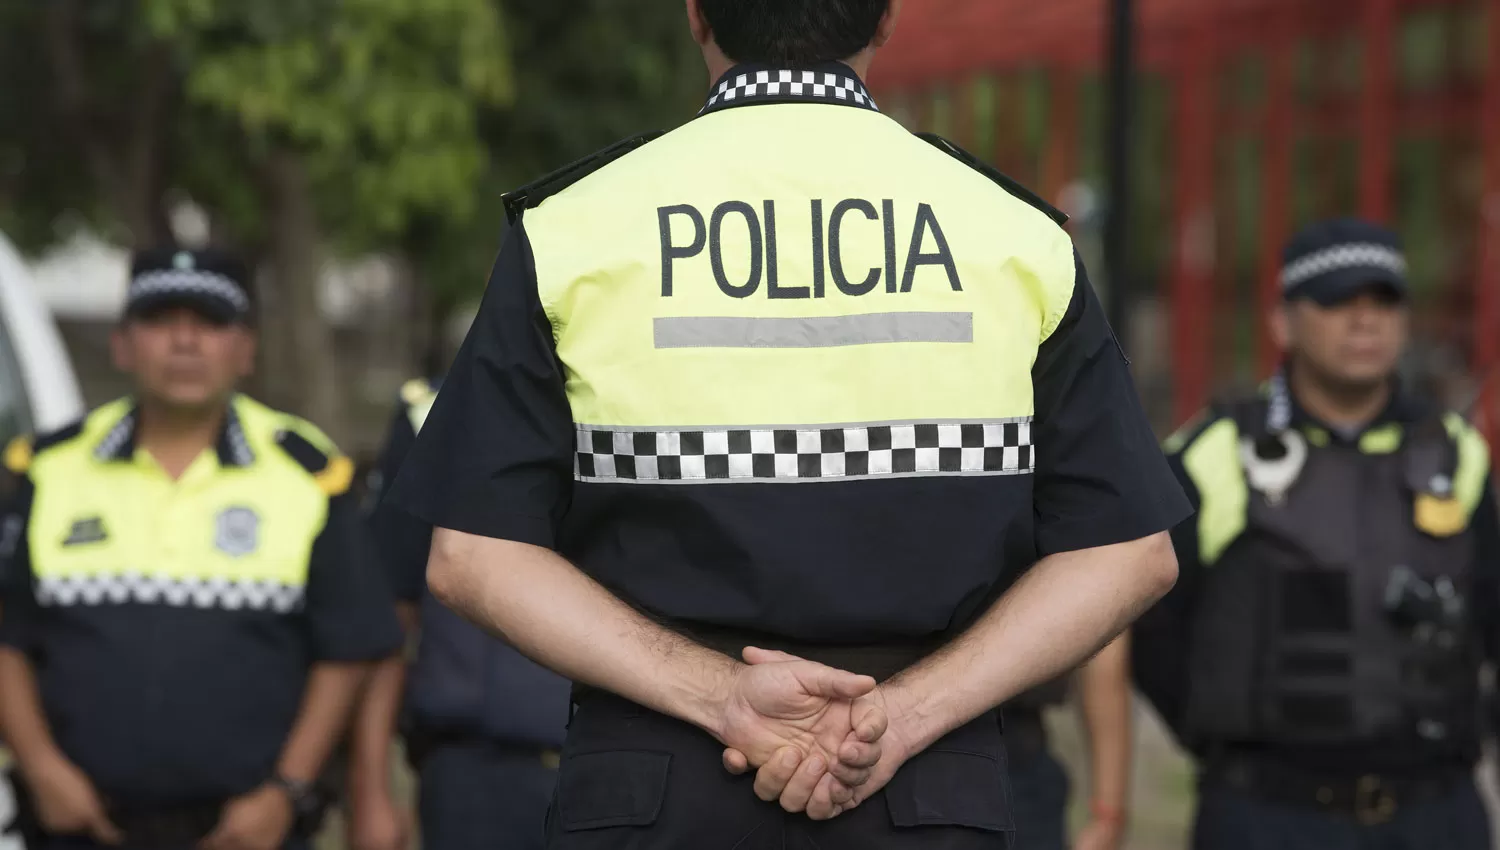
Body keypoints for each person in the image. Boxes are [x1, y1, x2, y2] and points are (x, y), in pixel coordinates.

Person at [384, 1, 1188, 846]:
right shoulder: (1016, 236)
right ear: (886, 18)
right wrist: (906, 716)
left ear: (697, 14)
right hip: (927, 786)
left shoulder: (573, 229)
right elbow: (1130, 552)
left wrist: (721, 695)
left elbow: (471, 555)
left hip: (651, 786)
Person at [0, 248, 403, 850]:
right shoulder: (50, 468)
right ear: (122, 344)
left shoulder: (307, 473)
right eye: (161, 321)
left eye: (211, 323)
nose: (185, 343)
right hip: (77, 827)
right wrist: (42, 770)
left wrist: (285, 791)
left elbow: (348, 647)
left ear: (246, 350)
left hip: (249, 832)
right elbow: (8, 635)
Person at [1133, 218, 1500, 850]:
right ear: (1283, 322)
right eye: (1338, 301)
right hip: (1265, 815)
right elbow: (1143, 627)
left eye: (1383, 301)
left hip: (1436, 814)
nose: (1365, 321)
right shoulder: (1217, 450)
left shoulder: (1456, 454)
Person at [345, 376, 571, 850]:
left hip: (634, 766)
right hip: (476, 774)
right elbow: (388, 617)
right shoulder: (431, 411)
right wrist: (370, 791)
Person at [1005, 636, 1132, 850]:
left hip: (1016, 761)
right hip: (1015, 760)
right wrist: (1108, 814)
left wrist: (1107, 815)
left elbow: (1106, 656)